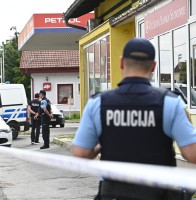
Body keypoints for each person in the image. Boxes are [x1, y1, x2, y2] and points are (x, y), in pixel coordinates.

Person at [72, 38, 196, 200]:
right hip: (158, 194)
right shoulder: (170, 103)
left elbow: (80, 153)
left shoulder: (98, 103)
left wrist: (101, 146)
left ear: (122, 63)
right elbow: (192, 154)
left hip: (112, 194)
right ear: (153, 66)